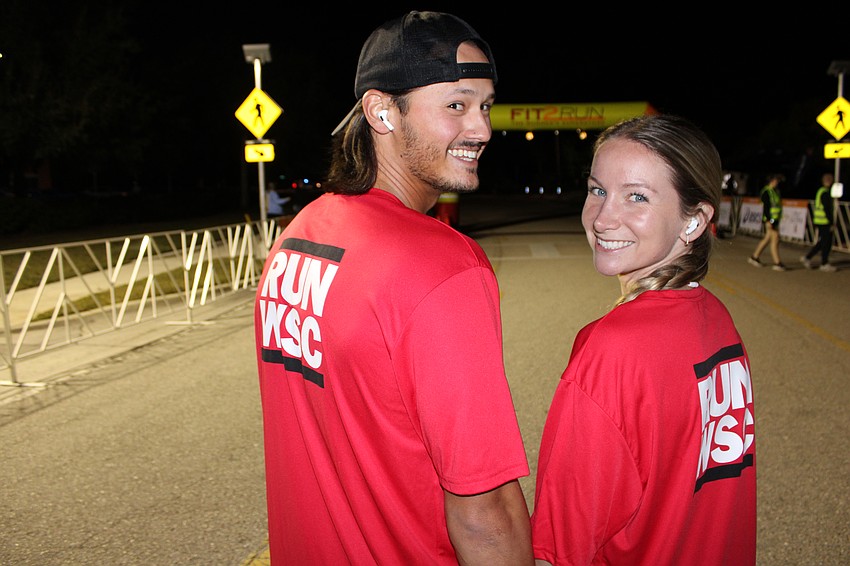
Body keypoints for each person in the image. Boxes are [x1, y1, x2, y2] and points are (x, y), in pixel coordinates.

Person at [253, 11, 533, 565]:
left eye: (485, 106)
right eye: (456, 105)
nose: (482, 129)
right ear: (382, 111)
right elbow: (484, 508)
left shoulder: (301, 234)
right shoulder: (443, 266)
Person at [531, 114, 757, 565]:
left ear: (694, 220)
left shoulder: (613, 347)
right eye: (598, 190)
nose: (603, 218)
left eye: (637, 197)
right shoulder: (716, 318)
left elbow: (565, 542)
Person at [748, 173, 786, 271]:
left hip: (774, 220)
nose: (777, 182)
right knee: (775, 239)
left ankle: (754, 257)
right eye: (776, 180)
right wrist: (770, 220)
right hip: (770, 220)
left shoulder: (775, 191)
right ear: (772, 181)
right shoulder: (766, 192)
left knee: (767, 238)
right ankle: (777, 262)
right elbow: (766, 208)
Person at [800, 172, 837, 272]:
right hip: (824, 221)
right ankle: (824, 263)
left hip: (819, 220)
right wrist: (831, 222)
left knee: (823, 242)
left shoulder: (820, 191)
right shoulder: (825, 192)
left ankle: (808, 257)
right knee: (826, 243)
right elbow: (826, 208)